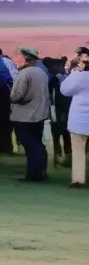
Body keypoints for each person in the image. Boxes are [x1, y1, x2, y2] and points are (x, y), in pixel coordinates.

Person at [9, 47, 51, 183]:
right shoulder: (42, 72)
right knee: (38, 144)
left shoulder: (25, 73)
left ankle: (33, 174)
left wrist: (10, 97)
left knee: (30, 146)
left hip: (24, 115)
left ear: (26, 57)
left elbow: (17, 95)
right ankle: (40, 171)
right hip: (38, 114)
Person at [60, 51, 89, 188]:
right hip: (80, 119)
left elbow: (65, 90)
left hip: (79, 120)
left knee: (78, 152)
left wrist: (75, 73)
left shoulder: (79, 76)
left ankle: (78, 180)